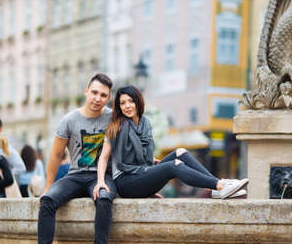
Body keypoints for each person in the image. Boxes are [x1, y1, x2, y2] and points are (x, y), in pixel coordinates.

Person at [95, 85, 248, 201]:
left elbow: (143, 158)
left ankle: (214, 188)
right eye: (123, 103)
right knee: (173, 165)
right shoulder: (116, 127)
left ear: (138, 101)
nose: (127, 106)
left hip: (142, 175)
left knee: (180, 153)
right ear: (119, 107)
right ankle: (220, 185)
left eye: (131, 101)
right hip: (126, 182)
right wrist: (100, 182)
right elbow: (103, 158)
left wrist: (152, 165)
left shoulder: (145, 124)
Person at [31, 74, 116, 244]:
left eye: (103, 95)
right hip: (75, 175)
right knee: (47, 201)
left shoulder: (113, 118)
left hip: (102, 177)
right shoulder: (70, 119)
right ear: (86, 91)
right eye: (94, 92)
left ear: (108, 97)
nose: (97, 98)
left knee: (104, 199)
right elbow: (55, 155)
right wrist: (48, 187)